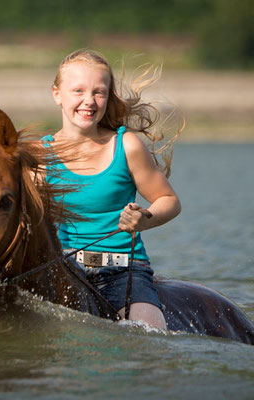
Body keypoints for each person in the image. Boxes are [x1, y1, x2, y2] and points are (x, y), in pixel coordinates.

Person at [41, 49, 181, 330]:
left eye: (99, 92)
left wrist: (145, 219)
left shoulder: (127, 145)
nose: (89, 101)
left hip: (124, 271)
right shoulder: (38, 155)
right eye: (78, 90)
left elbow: (169, 200)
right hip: (64, 270)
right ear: (57, 94)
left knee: (151, 337)